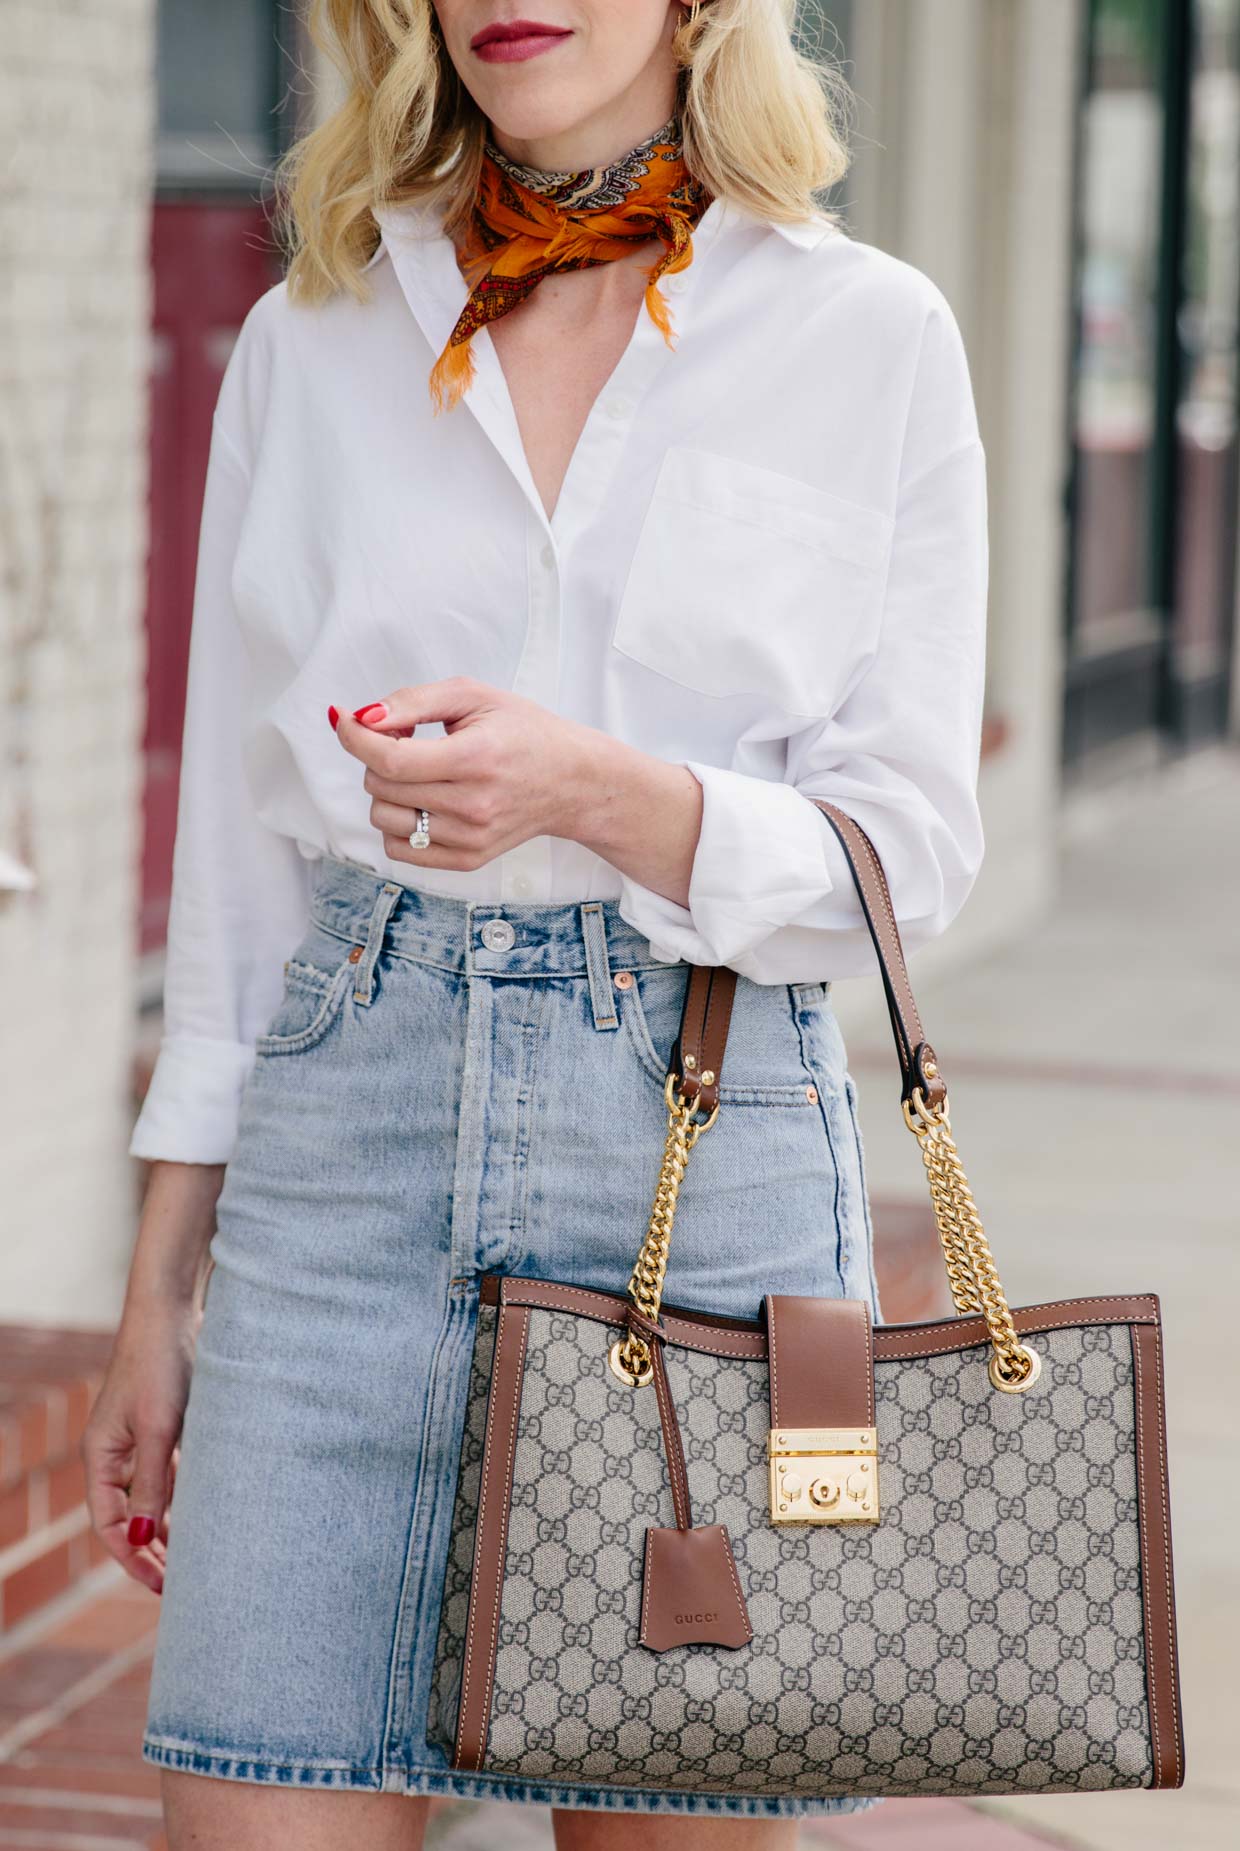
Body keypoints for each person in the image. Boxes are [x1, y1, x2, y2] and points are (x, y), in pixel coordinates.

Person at [83, 2, 988, 1846]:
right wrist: (156, 1293)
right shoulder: (313, 336)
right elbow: (243, 886)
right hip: (338, 1186)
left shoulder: (865, 335)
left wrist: (601, 792)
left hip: (704, 1157)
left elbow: (906, 857)